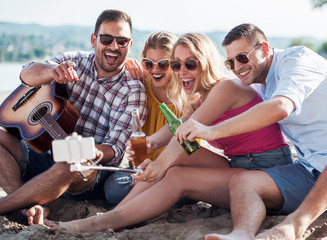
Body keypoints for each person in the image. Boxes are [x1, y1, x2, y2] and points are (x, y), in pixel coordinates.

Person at [44, 32, 293, 233]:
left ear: (205, 63)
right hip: (239, 166)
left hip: (267, 172)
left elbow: (184, 136)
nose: (181, 71)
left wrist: (159, 165)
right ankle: (118, 213)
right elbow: (171, 133)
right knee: (175, 157)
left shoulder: (226, 88)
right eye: (176, 64)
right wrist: (148, 145)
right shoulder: (198, 99)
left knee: (175, 173)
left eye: (190, 64)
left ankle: (104, 221)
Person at [174, 24, 327, 240]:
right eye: (231, 62)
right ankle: (241, 234)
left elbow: (281, 107)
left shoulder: (297, 60)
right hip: (312, 176)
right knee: (243, 181)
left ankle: (294, 226)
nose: (237, 66)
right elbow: (218, 91)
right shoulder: (256, 84)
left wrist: (211, 131)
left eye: (242, 58)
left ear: (264, 49)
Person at [0, 9, 147, 225]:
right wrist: (52, 71)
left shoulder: (134, 90)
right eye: (107, 39)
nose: (114, 47)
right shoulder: (72, 60)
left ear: (129, 45)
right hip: (42, 153)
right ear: (94, 39)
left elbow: (115, 150)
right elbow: (26, 74)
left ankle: (6, 205)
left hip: (84, 174)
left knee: (71, 161)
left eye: (122, 41)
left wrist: (87, 149)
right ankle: (26, 209)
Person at [104, 30, 185, 205]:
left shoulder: (185, 94)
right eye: (149, 63)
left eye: (163, 64)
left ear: (175, 64)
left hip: (176, 169)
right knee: (113, 188)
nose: (155, 70)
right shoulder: (141, 85)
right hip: (143, 168)